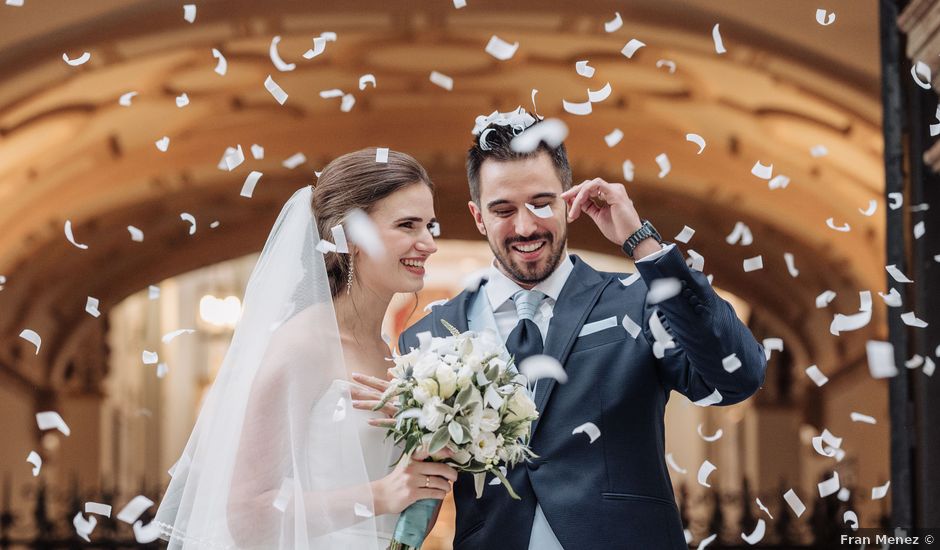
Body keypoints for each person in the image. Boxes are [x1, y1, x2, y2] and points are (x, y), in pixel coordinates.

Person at [397, 110, 767, 550]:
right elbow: (420, 483)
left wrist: (642, 241)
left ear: (567, 200)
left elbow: (738, 375)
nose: (526, 226)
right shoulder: (429, 337)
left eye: (541, 203)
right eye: (503, 210)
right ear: (478, 217)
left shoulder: (639, 300)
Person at [154, 148, 457, 549]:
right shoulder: (302, 345)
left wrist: (435, 452)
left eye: (429, 226)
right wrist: (381, 495)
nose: (428, 243)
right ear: (349, 238)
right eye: (408, 225)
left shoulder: (389, 354)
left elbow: (401, 498)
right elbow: (247, 512)